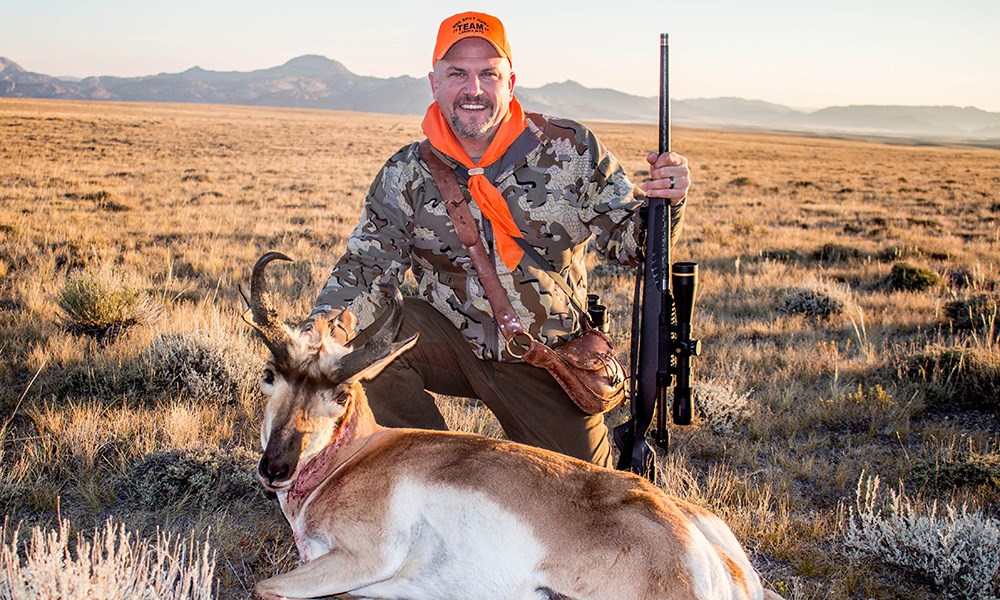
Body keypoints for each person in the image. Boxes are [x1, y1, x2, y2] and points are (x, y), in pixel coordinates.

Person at [308, 11, 690, 468]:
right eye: (457, 74)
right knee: (355, 345)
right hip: (454, 340)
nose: (473, 89)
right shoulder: (405, 172)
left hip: (546, 358)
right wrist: (318, 332)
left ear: (511, 82)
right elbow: (368, 267)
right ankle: (435, 474)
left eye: (488, 73)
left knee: (581, 503)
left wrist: (666, 202)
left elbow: (631, 244)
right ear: (434, 83)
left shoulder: (569, 150)